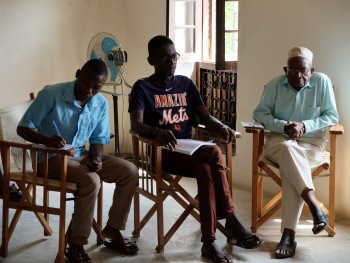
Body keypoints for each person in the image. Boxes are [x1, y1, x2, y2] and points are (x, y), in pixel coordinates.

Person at [128, 35, 263, 263]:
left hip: (190, 150)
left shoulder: (186, 83)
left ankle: (209, 243)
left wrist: (221, 126)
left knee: (205, 170)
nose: (171, 61)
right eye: (164, 58)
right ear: (151, 60)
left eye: (174, 56)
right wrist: (157, 132)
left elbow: (204, 117)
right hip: (163, 152)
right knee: (212, 152)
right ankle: (230, 218)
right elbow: (136, 125)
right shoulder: (143, 87)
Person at [17, 59, 139, 263]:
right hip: (48, 158)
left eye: (97, 87)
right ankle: (76, 244)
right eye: (85, 83)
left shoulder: (100, 103)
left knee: (130, 171)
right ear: (78, 73)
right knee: (91, 181)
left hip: (80, 156)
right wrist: (47, 140)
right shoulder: (51, 94)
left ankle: (113, 229)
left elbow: (99, 139)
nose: (89, 91)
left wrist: (97, 158)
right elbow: (23, 128)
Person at [252, 47, 339, 259]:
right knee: (289, 149)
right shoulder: (275, 85)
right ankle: (313, 206)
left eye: (304, 71)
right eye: (293, 71)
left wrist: (304, 125)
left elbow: (331, 116)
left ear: (312, 70)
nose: (298, 75)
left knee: (292, 169)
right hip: (278, 141)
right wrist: (284, 126)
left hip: (312, 144)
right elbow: (259, 113)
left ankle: (289, 235)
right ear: (285, 69)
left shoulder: (322, 82)